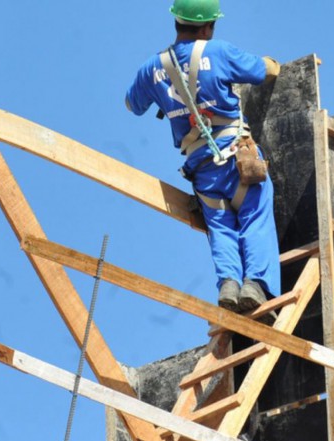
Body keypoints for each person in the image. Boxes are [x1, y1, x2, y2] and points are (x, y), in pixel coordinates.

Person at [125, 0, 281, 320]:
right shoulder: (219, 52)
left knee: (220, 226)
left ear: (177, 22)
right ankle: (255, 285)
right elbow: (263, 70)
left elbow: (132, 105)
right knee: (254, 215)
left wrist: (164, 92)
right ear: (208, 27)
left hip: (202, 169)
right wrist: (272, 63)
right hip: (236, 156)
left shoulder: (152, 68)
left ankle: (228, 285)